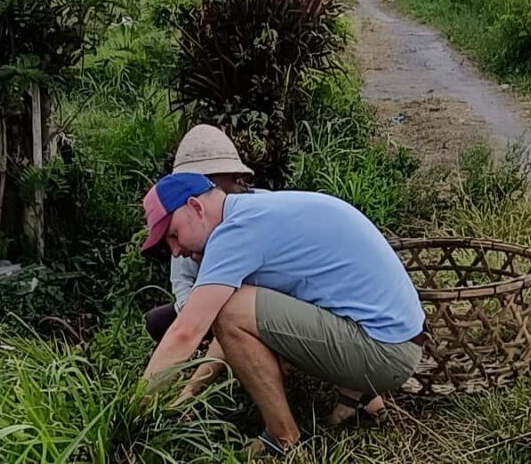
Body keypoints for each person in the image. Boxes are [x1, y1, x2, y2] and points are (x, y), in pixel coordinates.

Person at [139, 173, 425, 457]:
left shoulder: (235, 233)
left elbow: (188, 331)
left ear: (196, 207)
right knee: (237, 309)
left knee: (230, 309)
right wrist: (189, 393)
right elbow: (231, 334)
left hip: (385, 354)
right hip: (396, 341)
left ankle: (282, 437)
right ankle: (358, 399)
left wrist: (134, 406)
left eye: (174, 235)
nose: (176, 251)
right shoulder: (257, 209)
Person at [143, 124, 254, 403]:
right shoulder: (191, 226)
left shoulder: (247, 222)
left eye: (217, 181)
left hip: (248, 306)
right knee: (159, 321)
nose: (212, 189)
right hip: (207, 304)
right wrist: (192, 310)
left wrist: (189, 389)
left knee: (229, 316)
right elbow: (180, 281)